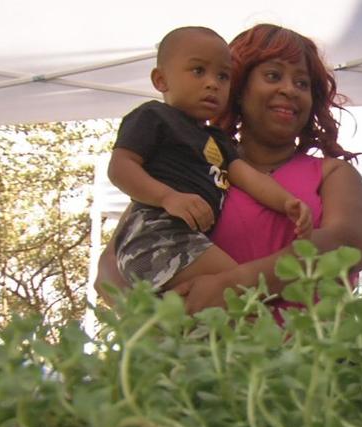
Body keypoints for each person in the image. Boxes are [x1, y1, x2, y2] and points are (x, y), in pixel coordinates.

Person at [96, 24, 362, 313]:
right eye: (273, 76)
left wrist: (236, 285)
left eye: (302, 83)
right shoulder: (188, 170)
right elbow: (112, 267)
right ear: (239, 87)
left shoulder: (331, 174)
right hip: (207, 355)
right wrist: (155, 322)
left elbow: (354, 241)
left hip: (312, 355)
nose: (289, 89)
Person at [109, 26, 313, 292]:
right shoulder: (153, 117)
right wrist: (167, 197)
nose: (212, 83)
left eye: (223, 76)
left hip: (189, 238)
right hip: (156, 234)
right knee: (245, 291)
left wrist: (286, 201)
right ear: (161, 80)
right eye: (198, 71)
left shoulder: (216, 139)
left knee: (205, 316)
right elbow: (120, 167)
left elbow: (248, 176)